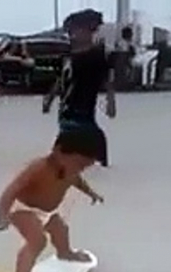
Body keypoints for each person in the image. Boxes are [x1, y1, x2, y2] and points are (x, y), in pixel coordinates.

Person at [0, 130, 105, 272]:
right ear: (59, 151)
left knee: (61, 230)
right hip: (23, 209)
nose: (81, 169)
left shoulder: (71, 169)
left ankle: (65, 253)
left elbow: (78, 181)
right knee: (37, 241)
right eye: (79, 164)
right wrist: (0, 215)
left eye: (85, 166)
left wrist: (91, 193)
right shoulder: (39, 167)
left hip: (48, 211)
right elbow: (13, 189)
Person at [42, 8, 117, 167]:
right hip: (66, 115)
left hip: (82, 118)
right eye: (69, 32)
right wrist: (50, 98)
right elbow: (61, 79)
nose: (71, 35)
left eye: (74, 31)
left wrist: (111, 102)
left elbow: (108, 80)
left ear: (88, 30)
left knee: (60, 163)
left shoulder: (97, 56)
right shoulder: (69, 56)